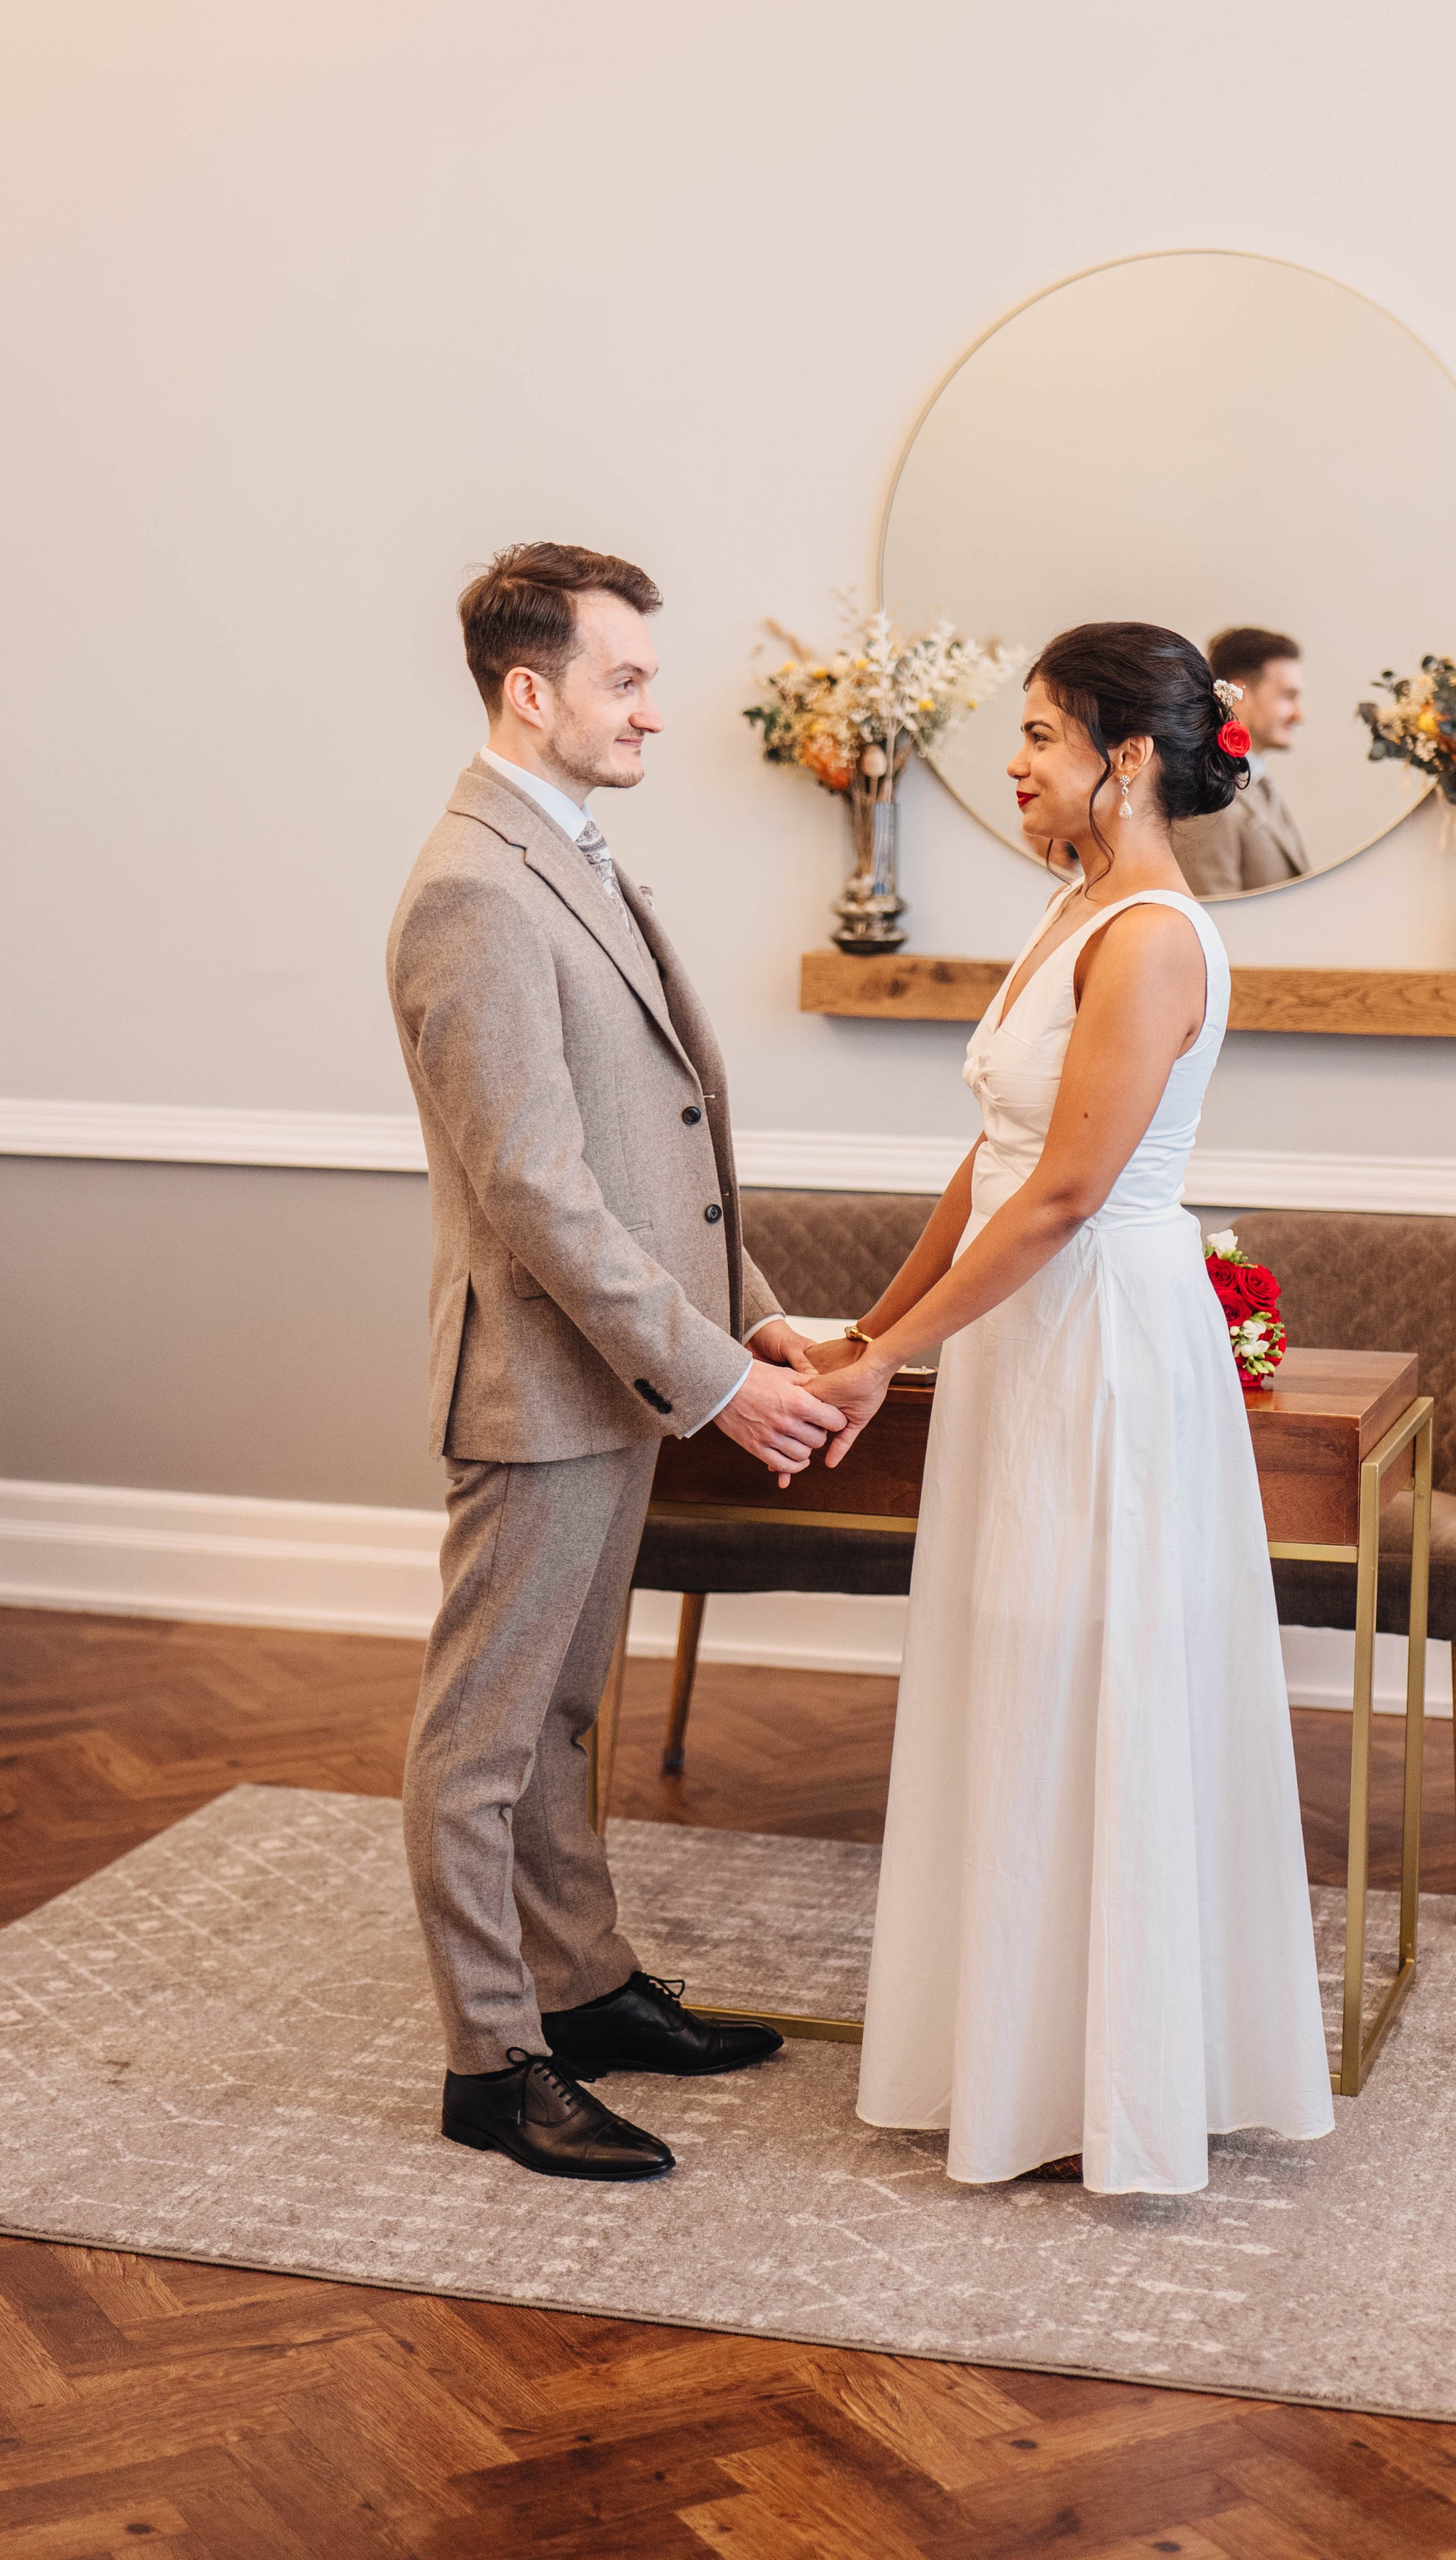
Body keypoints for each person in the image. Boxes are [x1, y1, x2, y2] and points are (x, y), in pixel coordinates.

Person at [805, 622, 1335, 2194]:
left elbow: (1063, 1196)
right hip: (1016, 1339)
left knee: (1093, 1669)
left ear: (1123, 758)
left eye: (1037, 733)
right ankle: (1013, 2055)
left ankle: (1121, 2078)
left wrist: (885, 1363)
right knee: (1013, 1666)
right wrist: (872, 1329)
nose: (1014, 761)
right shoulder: (1070, 910)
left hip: (1100, 1334)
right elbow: (985, 1166)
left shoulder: (1155, 935)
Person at [387, 541, 844, 2183]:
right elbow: (534, 1185)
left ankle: (578, 1991)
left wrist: (756, 1304)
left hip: (614, 1375)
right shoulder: (471, 886)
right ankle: (491, 2059)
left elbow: (651, 1145)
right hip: (534, 1380)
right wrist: (719, 1377)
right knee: (484, 1730)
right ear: (533, 689)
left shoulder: (566, 854)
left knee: (566, 1710)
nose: (654, 707)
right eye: (625, 678)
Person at [1170, 627, 1311, 894]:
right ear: (1240, 694)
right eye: (1288, 697)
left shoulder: (1258, 782)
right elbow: (1217, 914)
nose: (1299, 715)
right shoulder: (1209, 796)